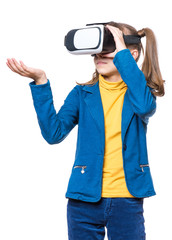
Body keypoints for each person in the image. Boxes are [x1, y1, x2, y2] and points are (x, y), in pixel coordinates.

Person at [6, 21, 165, 240]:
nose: (99, 56)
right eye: (96, 52)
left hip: (127, 198)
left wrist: (120, 44)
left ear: (132, 54)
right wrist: (40, 82)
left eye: (109, 50)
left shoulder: (141, 94)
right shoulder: (82, 94)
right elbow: (54, 133)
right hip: (83, 199)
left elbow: (145, 106)